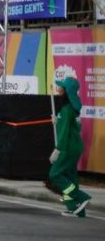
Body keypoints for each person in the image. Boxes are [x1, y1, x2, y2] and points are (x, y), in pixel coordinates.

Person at [49, 77, 91, 217]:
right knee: (69, 176)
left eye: (62, 87)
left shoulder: (67, 110)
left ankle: (80, 197)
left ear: (67, 91)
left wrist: (57, 149)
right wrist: (58, 121)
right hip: (75, 146)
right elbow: (70, 126)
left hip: (67, 147)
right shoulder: (73, 108)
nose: (58, 89)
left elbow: (64, 132)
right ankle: (76, 208)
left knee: (55, 174)